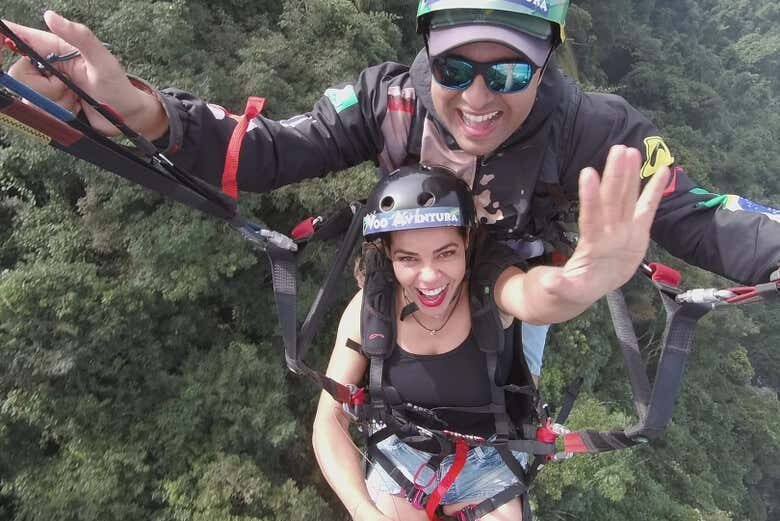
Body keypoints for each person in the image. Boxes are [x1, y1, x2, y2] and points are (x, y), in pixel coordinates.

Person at [3, 2, 778, 379]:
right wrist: (132, 107)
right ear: (426, 58)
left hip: (521, 276)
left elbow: (696, 213)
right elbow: (265, 154)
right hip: (406, 260)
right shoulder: (387, 99)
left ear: (545, 67)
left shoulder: (593, 129)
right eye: (455, 68)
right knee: (362, 399)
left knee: (503, 389)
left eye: (507, 72)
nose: (478, 98)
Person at [313, 152, 668, 521]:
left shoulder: (488, 290)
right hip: (403, 452)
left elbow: (532, 296)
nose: (430, 277)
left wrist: (582, 285)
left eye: (445, 253)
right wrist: (361, 510)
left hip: (491, 457)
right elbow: (329, 420)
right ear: (387, 254)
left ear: (468, 243)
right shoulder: (370, 309)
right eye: (409, 259)